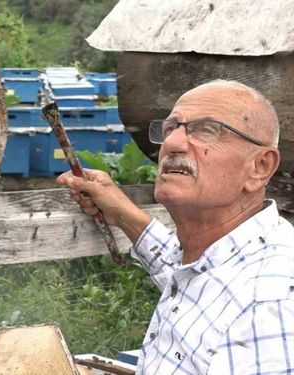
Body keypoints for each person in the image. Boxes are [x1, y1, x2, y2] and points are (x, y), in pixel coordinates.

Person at [57, 80, 294, 374]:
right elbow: (188, 273)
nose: (172, 143)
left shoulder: (270, 304)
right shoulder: (223, 257)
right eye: (171, 128)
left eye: (207, 129)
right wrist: (122, 211)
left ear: (259, 167)